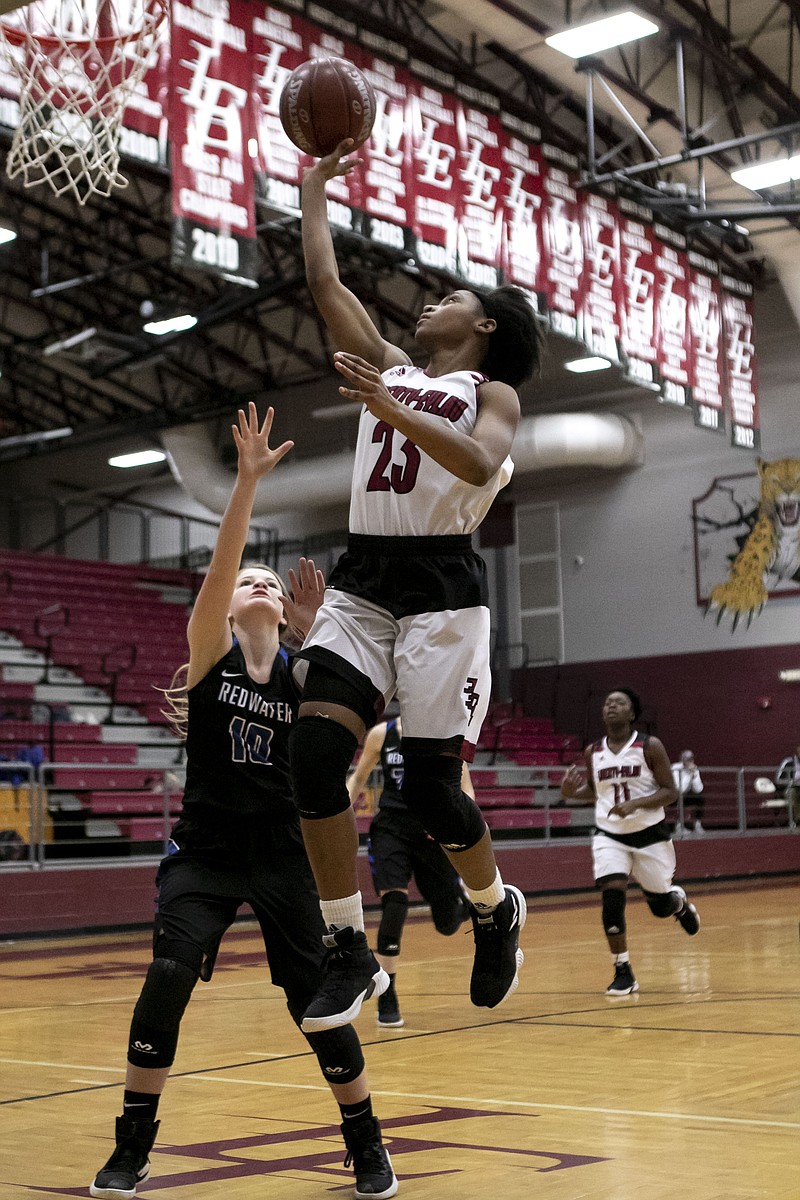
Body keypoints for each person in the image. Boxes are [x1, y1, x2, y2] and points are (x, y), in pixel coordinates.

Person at [90, 404, 397, 1200]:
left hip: (287, 860)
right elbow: (225, 566)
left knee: (315, 1007)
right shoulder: (210, 658)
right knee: (165, 977)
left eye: (273, 580)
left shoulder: (303, 676)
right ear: (229, 607)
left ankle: (365, 1143)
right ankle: (131, 1148)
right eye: (248, 583)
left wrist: (320, 638)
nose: (259, 583)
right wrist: (248, 485)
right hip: (207, 854)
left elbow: (367, 718)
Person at [289, 138, 544, 1033]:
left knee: (434, 792)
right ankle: (349, 951)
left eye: (456, 297)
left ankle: (494, 908)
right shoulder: (394, 363)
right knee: (315, 762)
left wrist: (394, 410)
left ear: (484, 328)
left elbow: (478, 462)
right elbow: (327, 288)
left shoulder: (492, 391)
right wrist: (313, 190)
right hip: (364, 575)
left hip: (442, 583)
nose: (435, 299)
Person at [560, 687, 700, 997]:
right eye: (607, 702)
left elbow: (670, 792)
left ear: (632, 713)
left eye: (619, 702)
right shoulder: (592, 752)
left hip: (650, 835)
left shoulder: (650, 746)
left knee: (660, 907)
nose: (611, 706)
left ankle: (676, 903)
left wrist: (636, 804)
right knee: (611, 897)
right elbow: (597, 792)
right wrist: (572, 793)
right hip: (609, 835)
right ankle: (622, 970)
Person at [347, 711, 474, 1028]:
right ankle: (387, 993)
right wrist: (332, 817)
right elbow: (357, 780)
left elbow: (467, 791)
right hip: (391, 829)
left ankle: (460, 904)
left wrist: (450, 821)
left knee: (447, 924)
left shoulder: (447, 731)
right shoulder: (382, 734)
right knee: (394, 903)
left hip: (432, 835)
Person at [671, 749, 705, 835]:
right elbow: (679, 789)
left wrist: (694, 775)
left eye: (691, 759)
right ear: (682, 760)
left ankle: (697, 825)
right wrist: (689, 774)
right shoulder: (675, 768)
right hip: (673, 796)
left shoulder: (694, 768)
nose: (690, 761)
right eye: (688, 759)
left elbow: (699, 789)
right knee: (680, 798)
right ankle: (678, 826)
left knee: (700, 798)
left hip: (685, 795)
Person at [775, 743, 800, 821]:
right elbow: (778, 780)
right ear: (798, 749)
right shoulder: (788, 762)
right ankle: (798, 819)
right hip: (791, 788)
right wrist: (791, 782)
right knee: (791, 792)